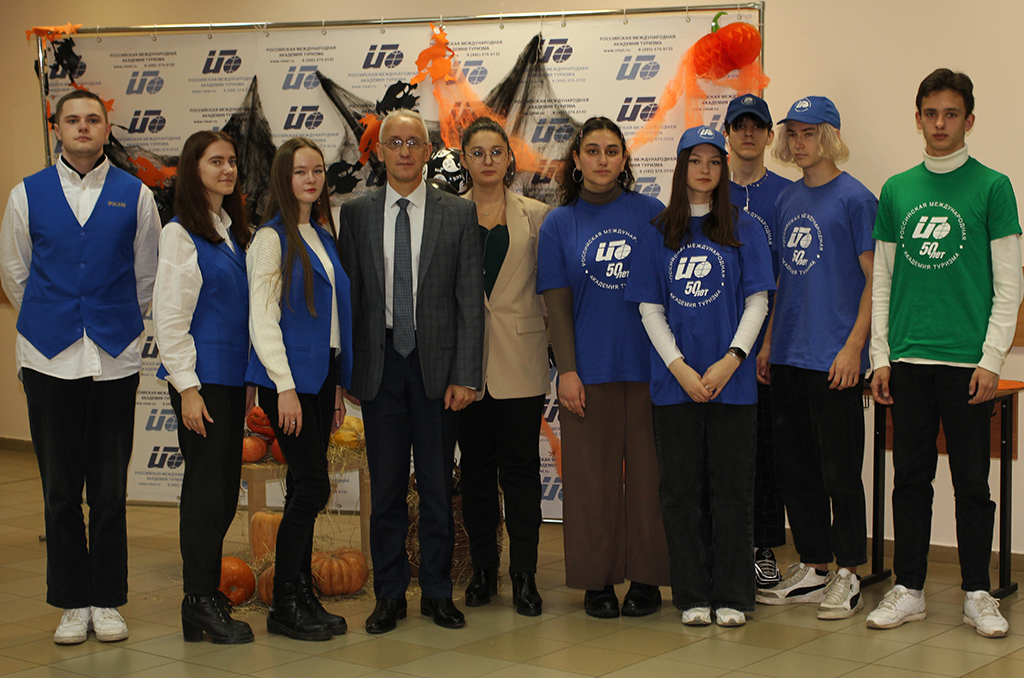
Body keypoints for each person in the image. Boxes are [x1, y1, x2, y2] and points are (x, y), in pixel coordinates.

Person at [0, 89, 159, 644]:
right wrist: (55, 315)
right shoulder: (26, 194)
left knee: (110, 489)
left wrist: (108, 317)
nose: (83, 127)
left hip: (114, 360)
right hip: (49, 360)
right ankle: (71, 600)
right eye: (73, 119)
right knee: (60, 490)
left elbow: (145, 276)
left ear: (106, 128)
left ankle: (107, 598)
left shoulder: (136, 195)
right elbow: (15, 273)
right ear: (58, 128)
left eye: (93, 119)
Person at [867, 69, 1023, 637]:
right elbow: (883, 281)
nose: (940, 123)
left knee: (973, 484)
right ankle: (908, 589)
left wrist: (992, 359)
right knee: (909, 478)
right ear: (918, 119)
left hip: (968, 365)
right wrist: (880, 356)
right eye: (931, 113)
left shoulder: (994, 187)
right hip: (908, 361)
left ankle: (978, 592)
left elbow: (1009, 284)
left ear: (968, 120)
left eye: (951, 114)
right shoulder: (896, 190)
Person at [338, 109, 484, 634]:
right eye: (394, 142)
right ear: (379, 152)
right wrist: (348, 373)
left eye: (413, 142)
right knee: (387, 490)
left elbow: (469, 300)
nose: (403, 151)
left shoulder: (458, 213)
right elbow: (350, 300)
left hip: (437, 369)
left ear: (428, 151)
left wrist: (466, 375)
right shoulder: (355, 213)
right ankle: (390, 594)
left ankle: (438, 592)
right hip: (380, 368)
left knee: (438, 488)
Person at [626, 126, 774, 627]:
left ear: (723, 168)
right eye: (696, 160)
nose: (705, 169)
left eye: (714, 161)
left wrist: (732, 359)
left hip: (733, 383)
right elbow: (649, 309)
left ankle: (732, 594)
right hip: (676, 385)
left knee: (732, 492)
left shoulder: (744, 227)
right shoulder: (658, 230)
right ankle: (691, 594)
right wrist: (680, 368)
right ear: (681, 167)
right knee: (680, 493)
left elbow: (758, 301)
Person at [536, 116, 671, 619]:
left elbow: (670, 291)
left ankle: (647, 580)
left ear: (624, 159)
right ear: (576, 159)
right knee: (591, 485)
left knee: (650, 481)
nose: (602, 160)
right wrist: (567, 371)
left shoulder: (652, 213)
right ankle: (597, 583)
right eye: (592, 150)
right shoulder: (559, 223)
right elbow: (556, 304)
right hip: (588, 374)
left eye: (612, 151)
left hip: (651, 370)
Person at [755, 96, 875, 620]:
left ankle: (849, 571)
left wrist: (854, 347)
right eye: (794, 134)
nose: (799, 143)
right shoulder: (787, 200)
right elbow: (784, 279)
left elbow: (876, 281)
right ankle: (814, 566)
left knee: (839, 472)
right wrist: (768, 343)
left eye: (809, 133)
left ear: (829, 137)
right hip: (788, 355)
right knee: (795, 470)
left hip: (835, 359)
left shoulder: (857, 199)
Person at [246, 137, 353, 641]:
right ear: (282, 179)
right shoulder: (270, 239)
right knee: (313, 486)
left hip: (321, 376)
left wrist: (336, 387)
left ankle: (301, 593)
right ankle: (285, 603)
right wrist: (284, 387)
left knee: (301, 488)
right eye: (299, 172)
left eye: (317, 171)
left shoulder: (322, 234)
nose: (311, 179)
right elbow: (262, 318)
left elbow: (331, 318)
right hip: (287, 379)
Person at [152, 131, 255, 644]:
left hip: (230, 380)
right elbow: (169, 318)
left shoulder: (231, 232)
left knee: (222, 493)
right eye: (216, 161)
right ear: (193, 170)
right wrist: (187, 389)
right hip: (202, 382)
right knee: (205, 493)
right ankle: (197, 599)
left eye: (232, 161)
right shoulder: (180, 233)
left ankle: (204, 597)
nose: (227, 169)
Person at [456, 117, 551, 616]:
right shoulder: (449, 214)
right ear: (464, 159)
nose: (488, 160)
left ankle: (524, 576)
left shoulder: (537, 215)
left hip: (522, 361)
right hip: (466, 369)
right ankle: (484, 571)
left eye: (496, 152)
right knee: (475, 474)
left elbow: (552, 291)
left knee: (521, 474)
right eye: (478, 152)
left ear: (509, 159)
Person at [724, 94, 793, 588]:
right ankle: (719, 545)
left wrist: (768, 340)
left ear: (770, 136)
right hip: (715, 346)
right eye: (739, 125)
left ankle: (762, 547)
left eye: (757, 126)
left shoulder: (788, 196)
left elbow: (792, 276)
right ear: (727, 134)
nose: (748, 133)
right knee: (720, 452)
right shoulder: (707, 191)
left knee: (768, 452)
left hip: (771, 348)